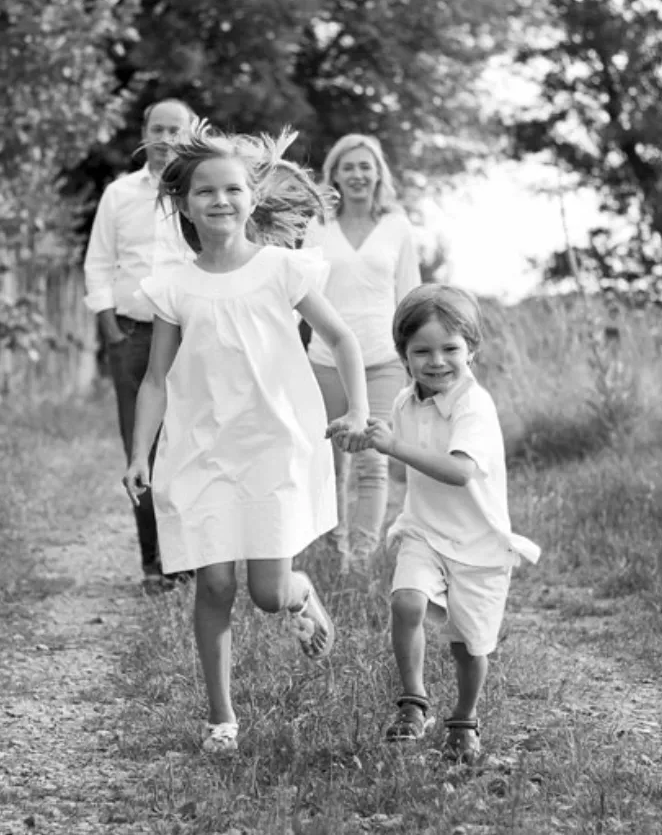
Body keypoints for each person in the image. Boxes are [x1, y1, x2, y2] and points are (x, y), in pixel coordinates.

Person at [122, 125, 373, 754]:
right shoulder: (174, 286)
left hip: (273, 447)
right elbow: (155, 380)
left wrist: (360, 411)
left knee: (265, 594)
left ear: (251, 199)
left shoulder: (281, 270)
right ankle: (221, 720)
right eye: (205, 191)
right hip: (201, 450)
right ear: (183, 203)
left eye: (233, 188)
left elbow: (342, 340)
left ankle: (300, 592)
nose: (221, 200)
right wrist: (136, 455)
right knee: (214, 586)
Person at [343, 284, 541, 764]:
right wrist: (361, 437)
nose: (437, 361)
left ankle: (464, 718)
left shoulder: (474, 405)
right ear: (403, 355)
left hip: (479, 544)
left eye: (450, 348)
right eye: (421, 351)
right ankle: (413, 703)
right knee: (406, 602)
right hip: (425, 531)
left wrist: (391, 446)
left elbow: (457, 471)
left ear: (472, 348)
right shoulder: (404, 403)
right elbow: (399, 461)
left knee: (469, 647)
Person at [84, 99, 199, 594]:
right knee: (142, 449)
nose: (166, 137)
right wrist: (110, 328)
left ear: (191, 135)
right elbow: (97, 263)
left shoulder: (199, 191)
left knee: (191, 445)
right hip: (132, 335)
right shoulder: (118, 194)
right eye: (158, 128)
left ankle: (189, 560)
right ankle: (155, 565)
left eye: (176, 129)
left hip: (192, 336)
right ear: (144, 132)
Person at [303, 134, 421, 568]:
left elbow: (410, 292)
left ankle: (362, 555)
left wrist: (413, 358)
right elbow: (301, 291)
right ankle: (332, 550)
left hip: (383, 360)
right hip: (325, 360)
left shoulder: (397, 225)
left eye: (365, 166)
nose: (357, 174)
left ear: (378, 173)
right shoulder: (317, 225)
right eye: (348, 166)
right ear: (334, 174)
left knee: (373, 461)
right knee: (331, 462)